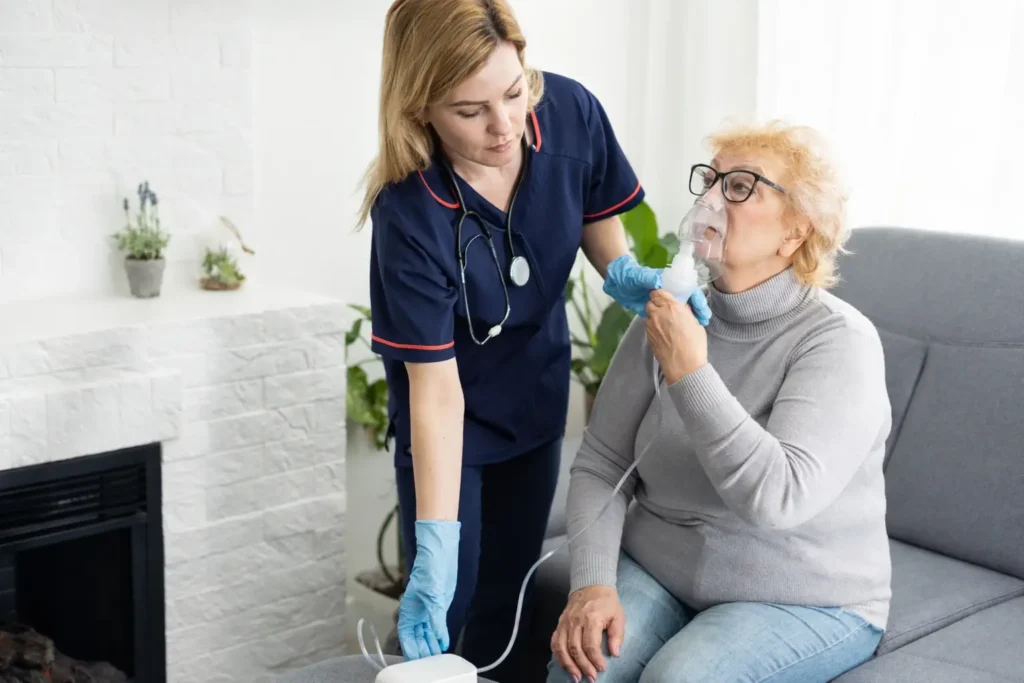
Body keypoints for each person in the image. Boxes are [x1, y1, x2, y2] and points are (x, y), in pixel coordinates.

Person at [359, 0, 711, 679]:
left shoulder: (572, 112)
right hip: (449, 425)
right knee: (448, 603)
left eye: (514, 92)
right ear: (419, 106)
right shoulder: (409, 209)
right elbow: (434, 391)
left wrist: (628, 274)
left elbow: (591, 216)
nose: (504, 126)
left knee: (508, 603)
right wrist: (434, 545)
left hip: (535, 401)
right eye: (470, 111)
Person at [547, 121, 893, 683]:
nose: (709, 199)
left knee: (680, 679)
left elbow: (778, 497)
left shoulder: (838, 342)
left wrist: (690, 370)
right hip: (663, 569)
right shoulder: (668, 312)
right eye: (709, 181)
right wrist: (591, 584)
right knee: (581, 671)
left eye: (739, 187)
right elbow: (602, 462)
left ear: (795, 231)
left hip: (801, 595)